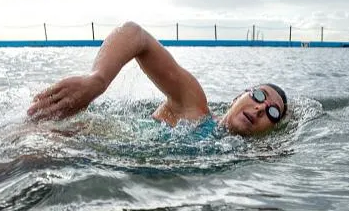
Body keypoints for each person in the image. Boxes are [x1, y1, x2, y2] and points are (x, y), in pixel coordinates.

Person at [27, 21, 288, 136]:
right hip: (61, 136)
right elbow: (135, 34)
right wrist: (97, 80)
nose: (261, 108)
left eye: (273, 113)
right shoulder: (193, 104)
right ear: (238, 96)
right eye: (259, 96)